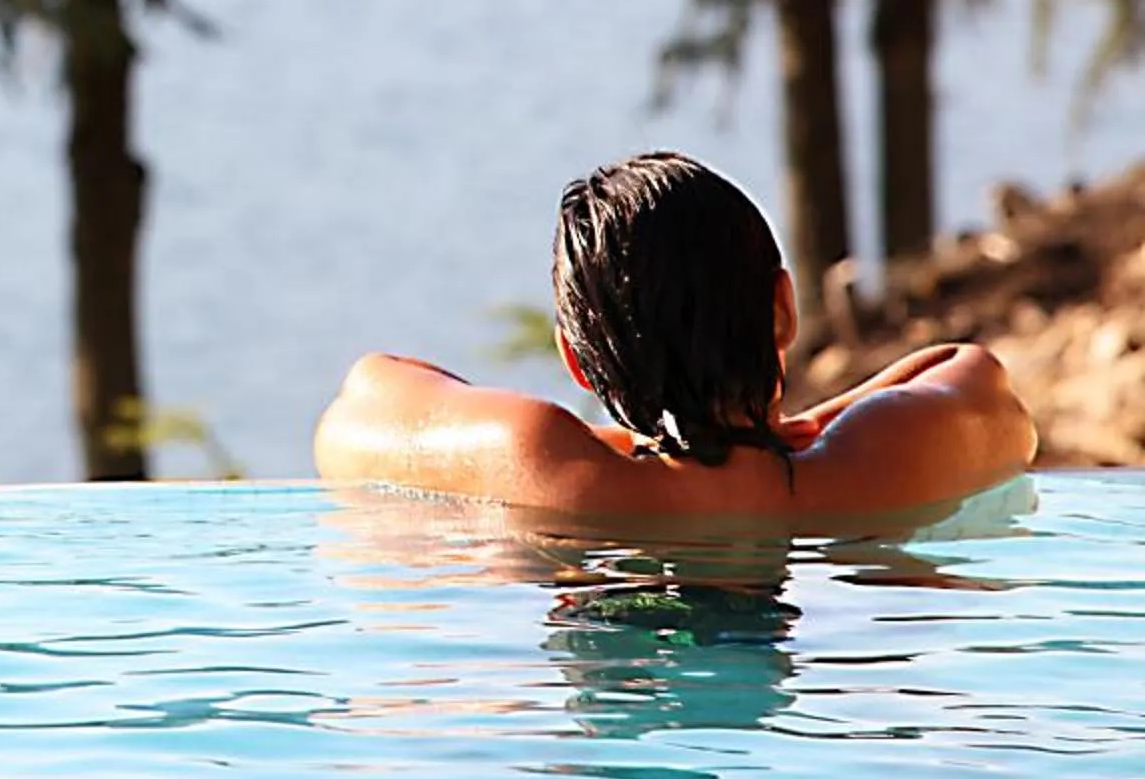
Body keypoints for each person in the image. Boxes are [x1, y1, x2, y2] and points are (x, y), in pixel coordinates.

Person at [314, 151, 1038, 518]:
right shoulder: (871, 469)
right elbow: (974, 379)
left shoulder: (562, 473)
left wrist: (611, 442)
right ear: (783, 311)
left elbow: (359, 409)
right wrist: (800, 430)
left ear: (576, 362)